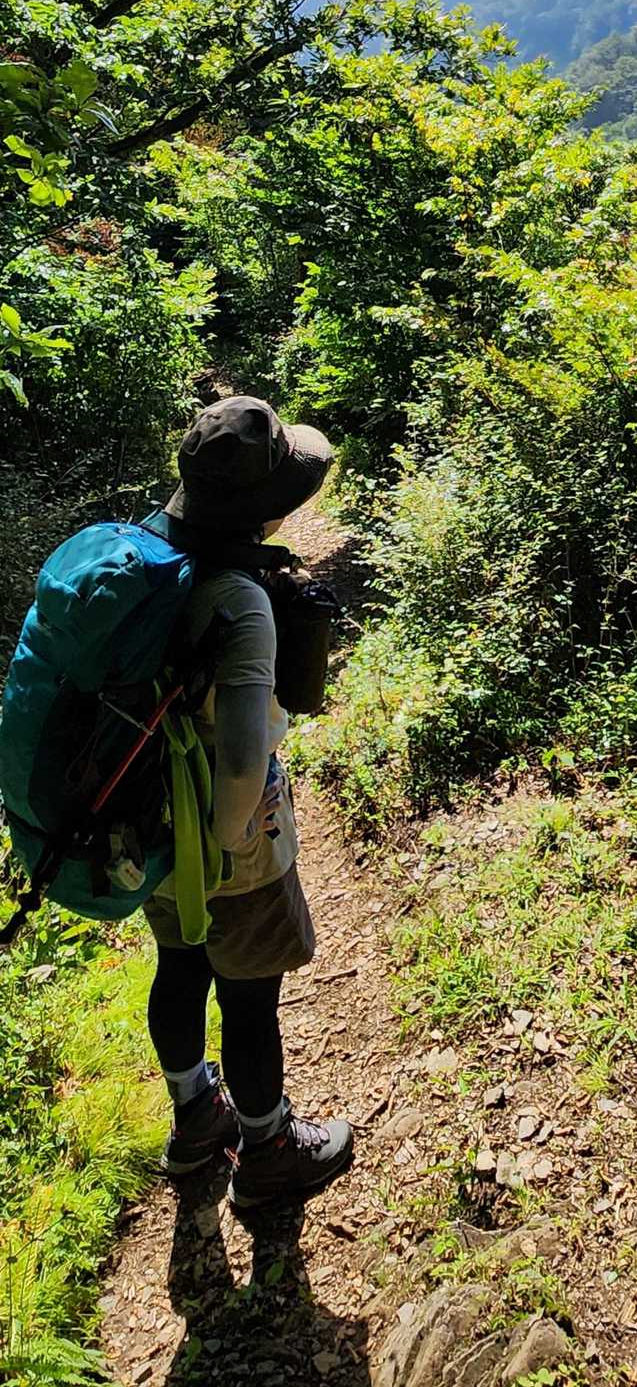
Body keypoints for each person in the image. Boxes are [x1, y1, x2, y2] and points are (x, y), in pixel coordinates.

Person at [144, 394, 354, 1211]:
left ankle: (195, 1114)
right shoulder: (239, 601)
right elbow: (240, 758)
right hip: (229, 843)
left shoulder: (150, 556)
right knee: (248, 994)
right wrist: (232, 843)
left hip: (152, 825)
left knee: (179, 965)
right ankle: (267, 1150)